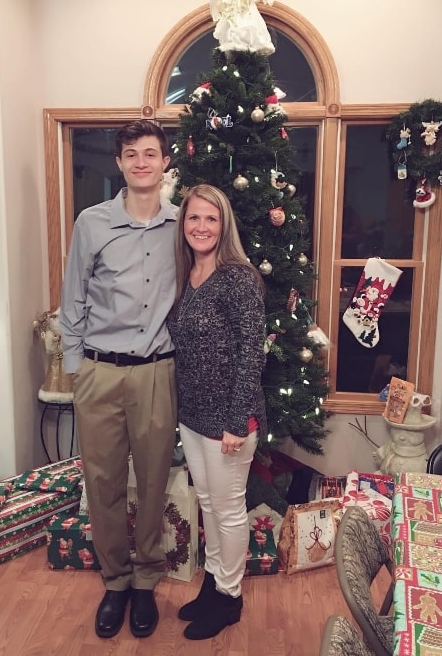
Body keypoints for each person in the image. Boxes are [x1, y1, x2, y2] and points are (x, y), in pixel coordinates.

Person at [59, 119, 177, 640]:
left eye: (150, 153)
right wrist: (76, 369)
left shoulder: (185, 225)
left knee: (153, 481)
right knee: (103, 482)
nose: (141, 162)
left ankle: (146, 579)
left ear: (165, 162)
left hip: (156, 372)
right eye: (131, 154)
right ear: (120, 163)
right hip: (99, 372)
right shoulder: (92, 223)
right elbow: (73, 296)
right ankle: (115, 581)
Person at [167, 184, 267, 640]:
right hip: (192, 416)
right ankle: (212, 584)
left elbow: (251, 353)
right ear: (183, 224)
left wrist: (236, 421)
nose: (201, 226)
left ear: (223, 225)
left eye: (211, 218)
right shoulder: (186, 274)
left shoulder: (238, 278)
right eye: (194, 218)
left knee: (228, 511)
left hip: (229, 420)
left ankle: (229, 597)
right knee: (207, 503)